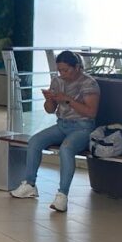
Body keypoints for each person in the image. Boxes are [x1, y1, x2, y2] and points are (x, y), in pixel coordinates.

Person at [10, 50, 100, 212]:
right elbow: (50, 110)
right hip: (62, 125)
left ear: (77, 67)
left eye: (66, 70)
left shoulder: (89, 83)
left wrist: (68, 100)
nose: (62, 74)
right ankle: (29, 184)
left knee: (66, 149)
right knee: (35, 141)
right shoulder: (57, 81)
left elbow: (91, 112)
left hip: (83, 127)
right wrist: (49, 100)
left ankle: (62, 194)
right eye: (60, 70)